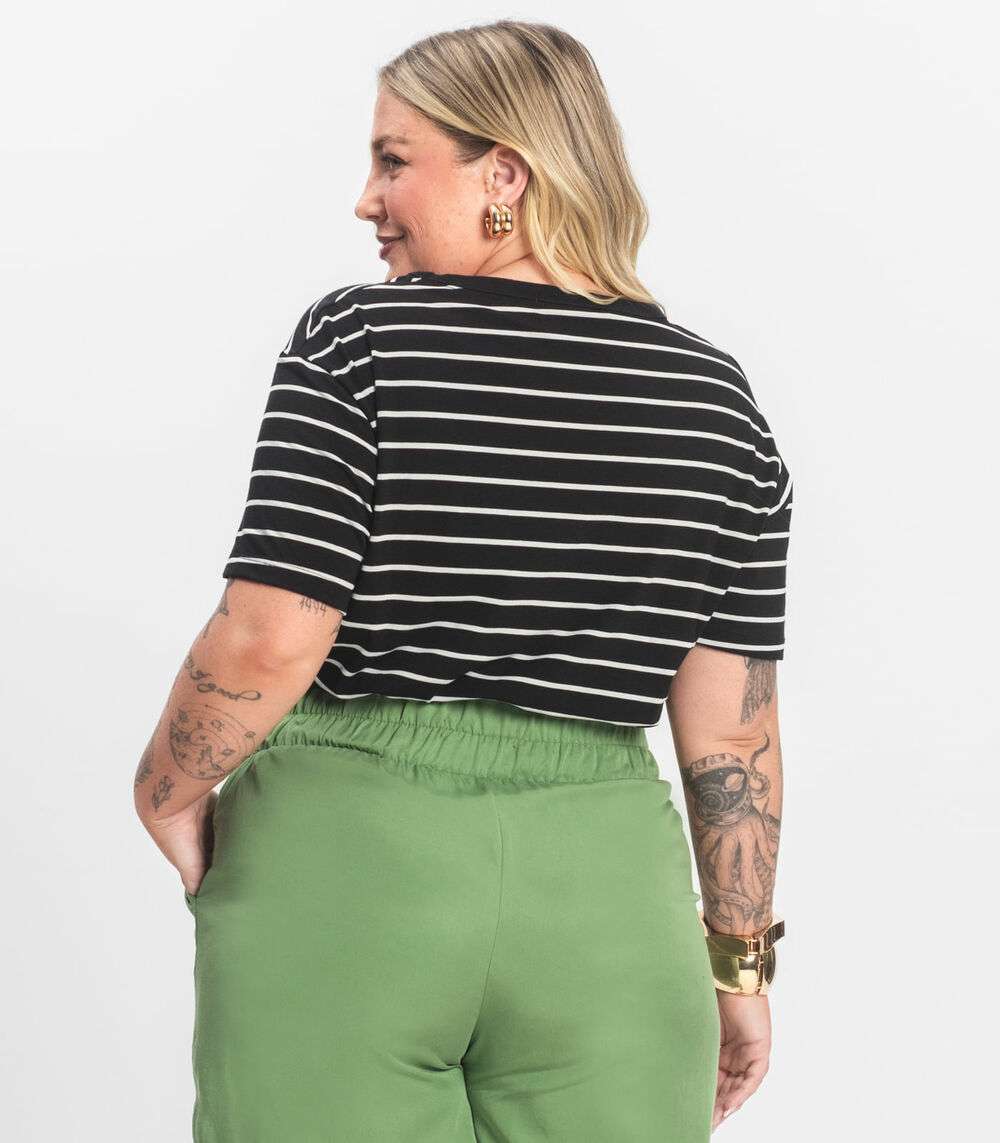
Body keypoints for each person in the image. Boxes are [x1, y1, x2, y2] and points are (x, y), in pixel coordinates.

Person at [133, 19, 791, 1142]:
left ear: (504, 175)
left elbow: (272, 632)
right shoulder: (720, 402)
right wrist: (739, 965)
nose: (366, 199)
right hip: (609, 894)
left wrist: (166, 788)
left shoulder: (360, 341)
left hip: (353, 857)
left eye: (393, 160)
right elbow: (732, 733)